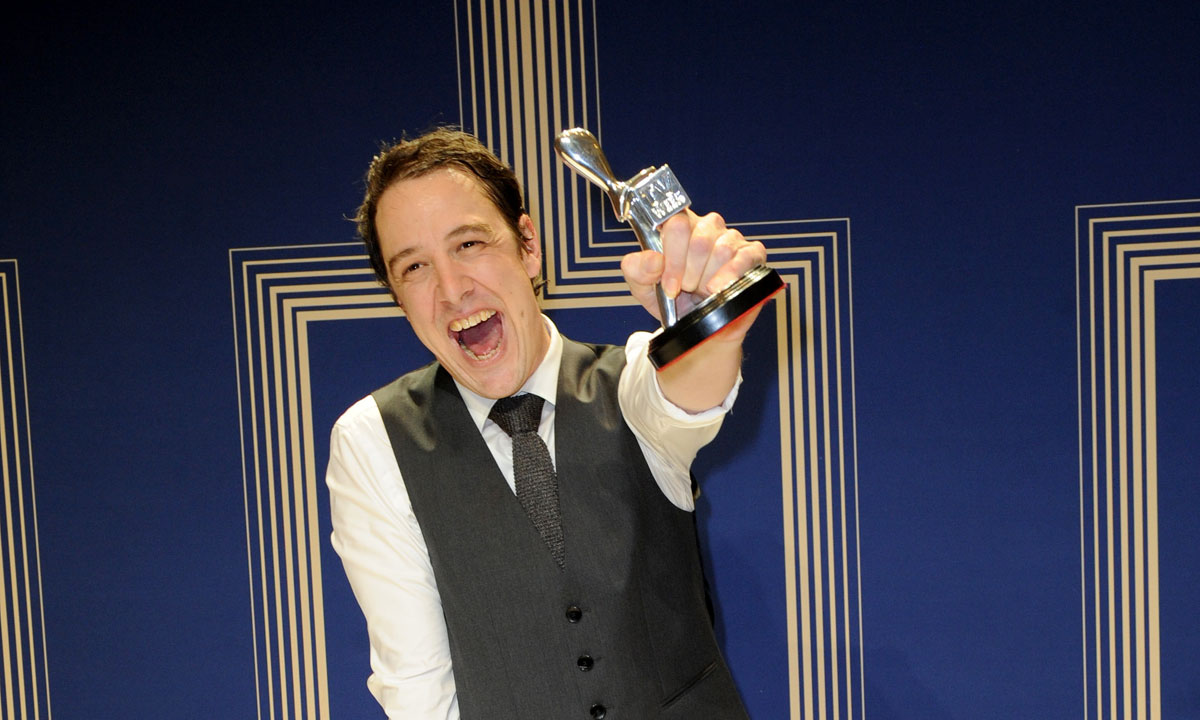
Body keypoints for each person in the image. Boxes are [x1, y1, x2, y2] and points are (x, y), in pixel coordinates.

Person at [326, 127, 768, 719]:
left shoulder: (632, 381)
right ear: (396, 296)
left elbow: (685, 401)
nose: (452, 290)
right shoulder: (372, 441)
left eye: (469, 244)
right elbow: (418, 689)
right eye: (414, 267)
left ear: (528, 245)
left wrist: (711, 330)